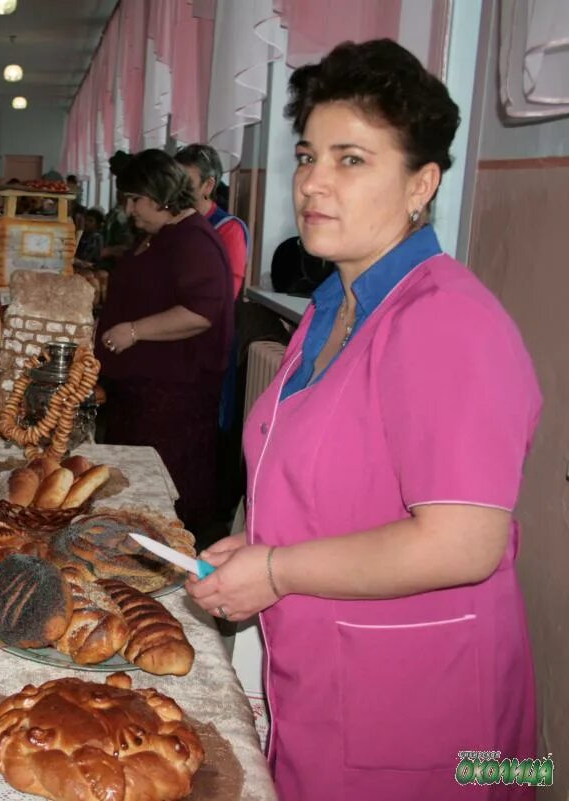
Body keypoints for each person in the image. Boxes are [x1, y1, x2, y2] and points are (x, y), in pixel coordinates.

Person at [186, 40, 541, 800]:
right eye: (310, 154)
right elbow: (335, 479)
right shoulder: (331, 310)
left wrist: (276, 569)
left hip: (425, 713)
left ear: (422, 183)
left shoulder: (447, 321)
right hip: (330, 681)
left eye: (351, 159)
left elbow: (464, 541)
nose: (312, 181)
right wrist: (260, 539)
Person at [95, 150, 233, 533]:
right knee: (134, 491)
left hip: (172, 399)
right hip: (142, 393)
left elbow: (200, 312)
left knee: (165, 495)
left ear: (163, 196)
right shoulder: (163, 235)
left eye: (136, 199)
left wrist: (134, 330)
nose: (128, 209)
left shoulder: (194, 241)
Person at [174, 143, 248, 298]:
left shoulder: (229, 229)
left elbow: (227, 293)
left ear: (208, 185)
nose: (177, 190)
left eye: (185, 184)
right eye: (174, 182)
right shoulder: (171, 220)